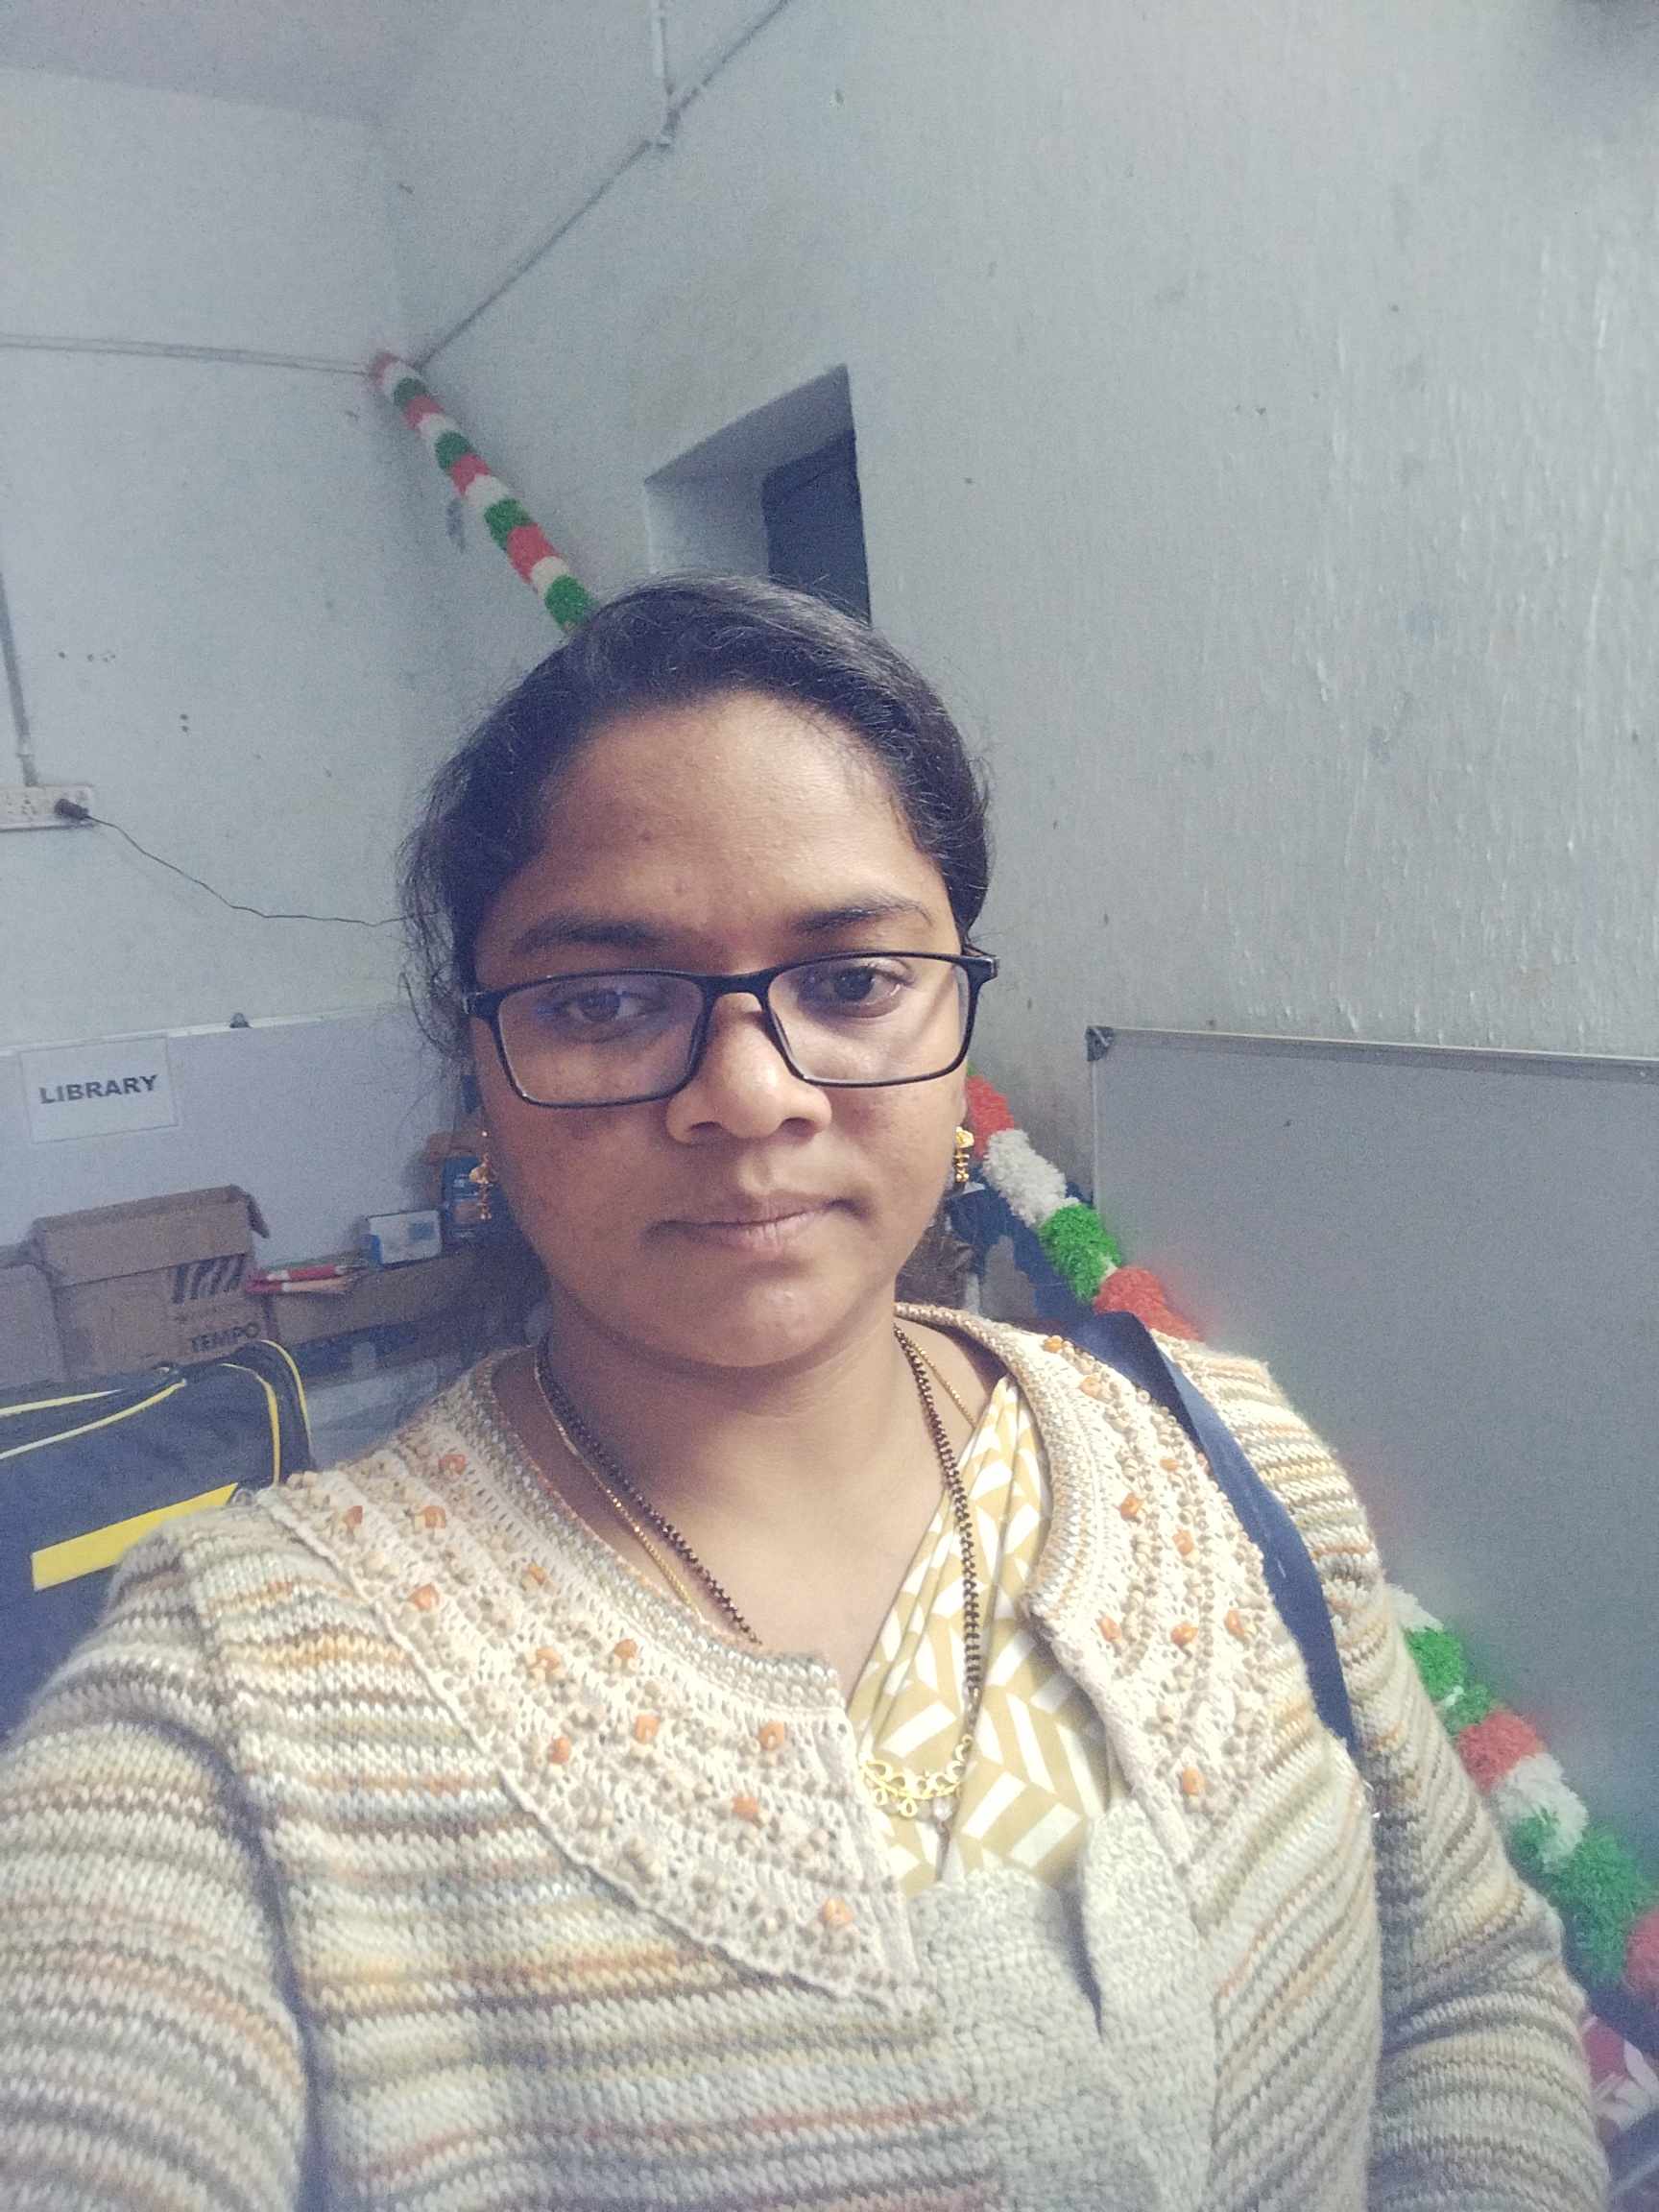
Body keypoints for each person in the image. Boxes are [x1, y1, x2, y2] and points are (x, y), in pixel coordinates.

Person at [0, 575, 1603, 2209]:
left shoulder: (1223, 1459)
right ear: (478, 1069)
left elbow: (1466, 1992)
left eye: (851, 982)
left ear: (957, 1005)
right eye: (605, 1002)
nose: (751, 1094)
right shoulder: (242, 1704)